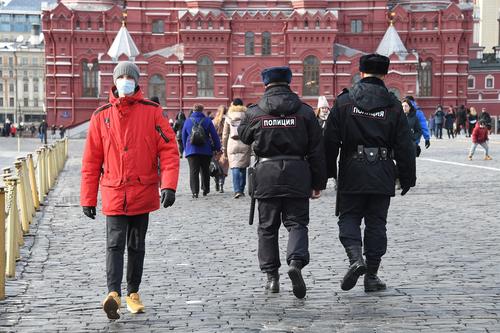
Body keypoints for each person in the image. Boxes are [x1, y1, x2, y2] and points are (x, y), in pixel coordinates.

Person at [80, 61, 180, 320]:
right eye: (121, 76)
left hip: (142, 190)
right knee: (114, 244)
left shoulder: (152, 112)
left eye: (129, 76)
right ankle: (113, 294)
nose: (125, 80)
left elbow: (168, 150)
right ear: (114, 81)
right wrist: (87, 197)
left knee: (136, 245)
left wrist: (168, 184)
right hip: (114, 190)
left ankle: (133, 293)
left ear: (137, 81)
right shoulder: (101, 116)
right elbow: (91, 160)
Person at [324, 54, 416, 293]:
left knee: (349, 217)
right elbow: (405, 145)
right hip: (382, 170)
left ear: (361, 72)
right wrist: (407, 177)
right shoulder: (394, 105)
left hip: (352, 170)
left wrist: (325, 173)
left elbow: (329, 140)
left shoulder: (344, 102)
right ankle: (372, 275)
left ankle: (355, 259)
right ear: (384, 75)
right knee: (377, 224)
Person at [238, 66, 327, 299]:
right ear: (289, 83)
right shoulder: (305, 113)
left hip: (266, 175)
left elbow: (244, 136)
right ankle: (296, 263)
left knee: (267, 228)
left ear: (265, 84)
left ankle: (272, 278)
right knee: (297, 223)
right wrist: (318, 183)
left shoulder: (255, 112)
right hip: (298, 173)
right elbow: (318, 150)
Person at [182, 103, 221, 198]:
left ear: (193, 110)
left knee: (193, 171)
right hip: (205, 150)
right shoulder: (207, 120)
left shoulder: (187, 121)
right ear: (202, 110)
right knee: (205, 170)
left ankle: (195, 192)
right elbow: (214, 135)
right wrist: (217, 147)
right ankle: (205, 189)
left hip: (191, 150)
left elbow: (183, 136)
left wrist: (185, 148)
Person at [223, 98, 251, 199]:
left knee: (235, 167)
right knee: (242, 167)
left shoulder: (229, 116)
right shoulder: (247, 115)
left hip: (232, 143)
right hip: (244, 143)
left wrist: (224, 147)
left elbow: (225, 134)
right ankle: (242, 189)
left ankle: (237, 190)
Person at [212, 105, 229, 192]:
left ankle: (216, 182)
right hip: (226, 145)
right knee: (224, 166)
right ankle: (221, 184)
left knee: (216, 166)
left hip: (215, 146)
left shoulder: (214, 121)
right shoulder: (228, 120)